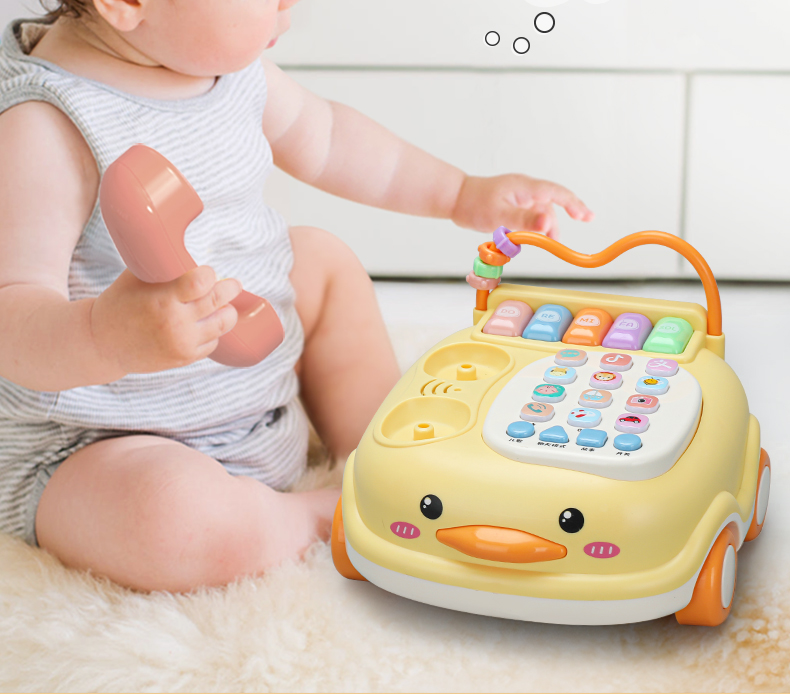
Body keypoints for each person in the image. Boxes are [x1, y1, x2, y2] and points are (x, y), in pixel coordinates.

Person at [0, 0, 594, 592]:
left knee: (321, 259)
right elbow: (12, 318)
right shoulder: (43, 126)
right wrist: (108, 336)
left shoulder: (223, 66)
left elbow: (331, 139)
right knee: (170, 520)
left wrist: (461, 193)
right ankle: (315, 516)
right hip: (101, 445)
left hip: (252, 381)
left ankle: (383, 450)